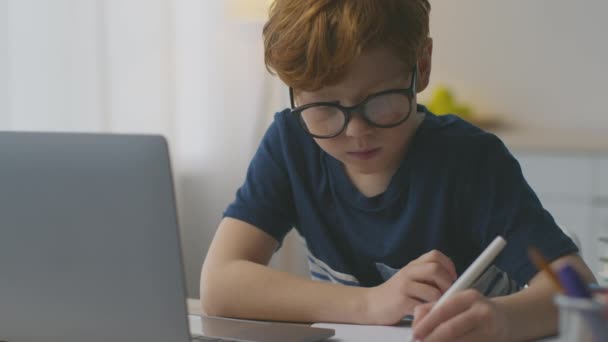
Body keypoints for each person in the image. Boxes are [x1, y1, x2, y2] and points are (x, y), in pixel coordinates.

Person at [201, 1, 596, 341]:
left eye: (379, 100)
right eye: (323, 108)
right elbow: (220, 283)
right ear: (294, 94)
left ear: (421, 67)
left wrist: (503, 322)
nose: (357, 132)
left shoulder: (470, 159)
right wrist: (369, 303)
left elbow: (575, 288)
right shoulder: (291, 143)